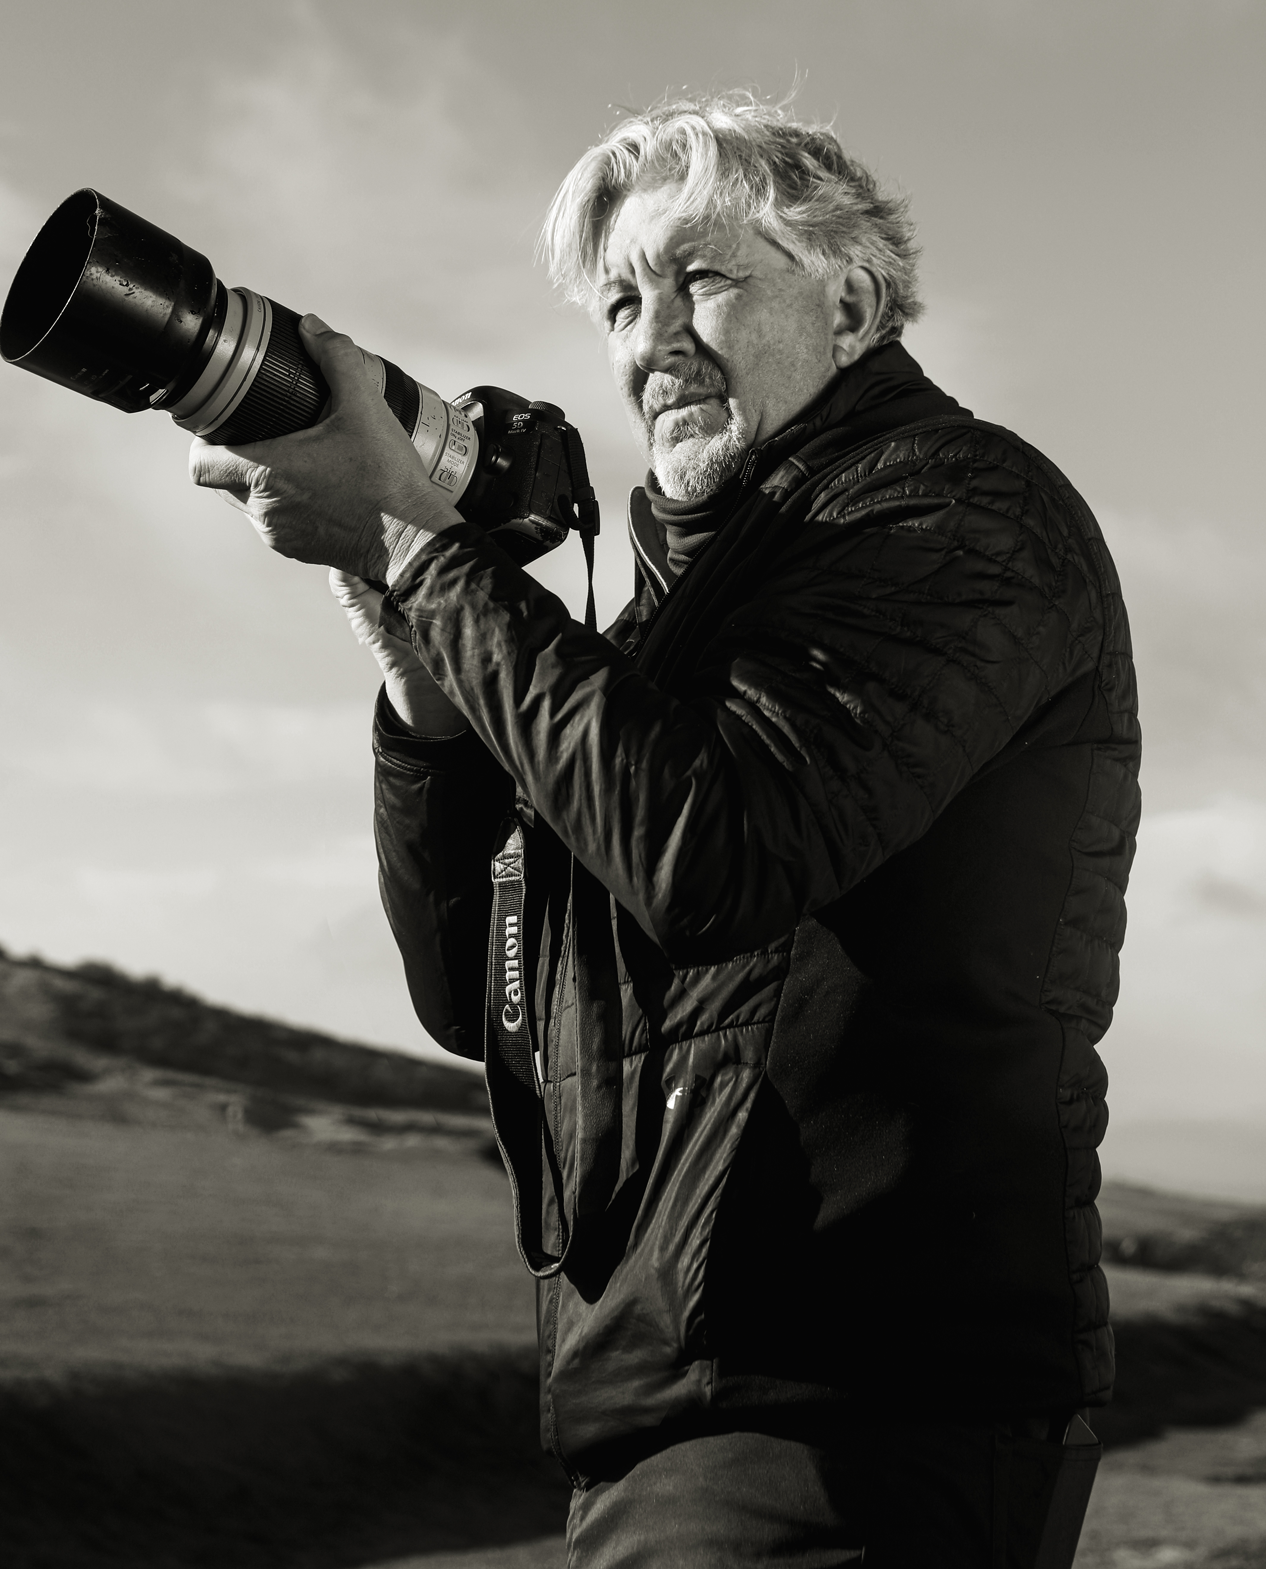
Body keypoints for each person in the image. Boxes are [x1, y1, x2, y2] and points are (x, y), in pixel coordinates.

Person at [192, 95, 1138, 1566]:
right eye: (623, 304)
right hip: (669, 1417)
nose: (654, 342)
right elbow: (477, 997)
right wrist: (418, 660)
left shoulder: (958, 514)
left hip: (861, 1410)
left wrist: (417, 546)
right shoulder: (657, 643)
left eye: (702, 278)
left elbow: (715, 857)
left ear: (851, 303)